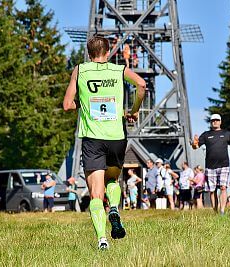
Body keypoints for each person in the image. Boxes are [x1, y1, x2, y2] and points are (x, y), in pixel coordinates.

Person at [63, 36, 146, 249]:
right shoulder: (119, 70)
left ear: (89, 54)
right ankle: (115, 208)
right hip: (117, 136)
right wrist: (134, 111)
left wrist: (84, 105)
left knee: (96, 194)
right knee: (112, 180)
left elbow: (67, 105)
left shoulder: (80, 70)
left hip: (93, 138)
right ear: (108, 53)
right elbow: (141, 84)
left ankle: (102, 240)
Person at [191, 114, 230, 215]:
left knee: (223, 187)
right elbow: (195, 146)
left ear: (220, 122)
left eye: (217, 120)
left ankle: (222, 211)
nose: (215, 122)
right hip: (210, 167)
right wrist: (193, 143)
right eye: (213, 120)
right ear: (210, 122)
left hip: (224, 165)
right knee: (212, 190)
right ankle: (216, 211)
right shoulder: (206, 135)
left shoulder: (227, 133)